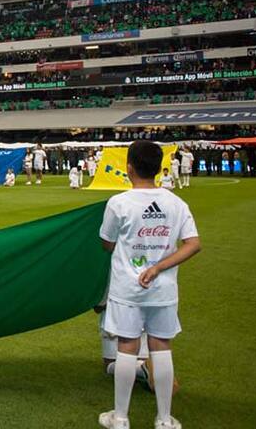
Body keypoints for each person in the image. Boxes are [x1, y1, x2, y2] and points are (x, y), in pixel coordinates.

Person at [98, 140, 201, 429]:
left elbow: (106, 243)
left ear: (129, 167)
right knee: (161, 347)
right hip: (163, 289)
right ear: (159, 168)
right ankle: (164, 419)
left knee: (127, 347)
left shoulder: (118, 203)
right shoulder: (176, 202)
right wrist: (159, 267)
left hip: (127, 289)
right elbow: (193, 244)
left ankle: (120, 418)